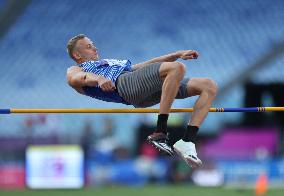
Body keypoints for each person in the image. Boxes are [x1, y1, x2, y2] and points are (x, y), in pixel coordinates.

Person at [66, 34, 218, 168]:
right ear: (77, 54)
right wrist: (98, 78)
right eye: (88, 47)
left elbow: (143, 66)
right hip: (125, 87)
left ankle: (187, 141)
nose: (95, 48)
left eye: (93, 45)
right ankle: (160, 131)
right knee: (177, 68)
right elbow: (79, 78)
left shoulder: (109, 63)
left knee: (208, 85)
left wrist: (177, 54)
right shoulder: (76, 69)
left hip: (139, 89)